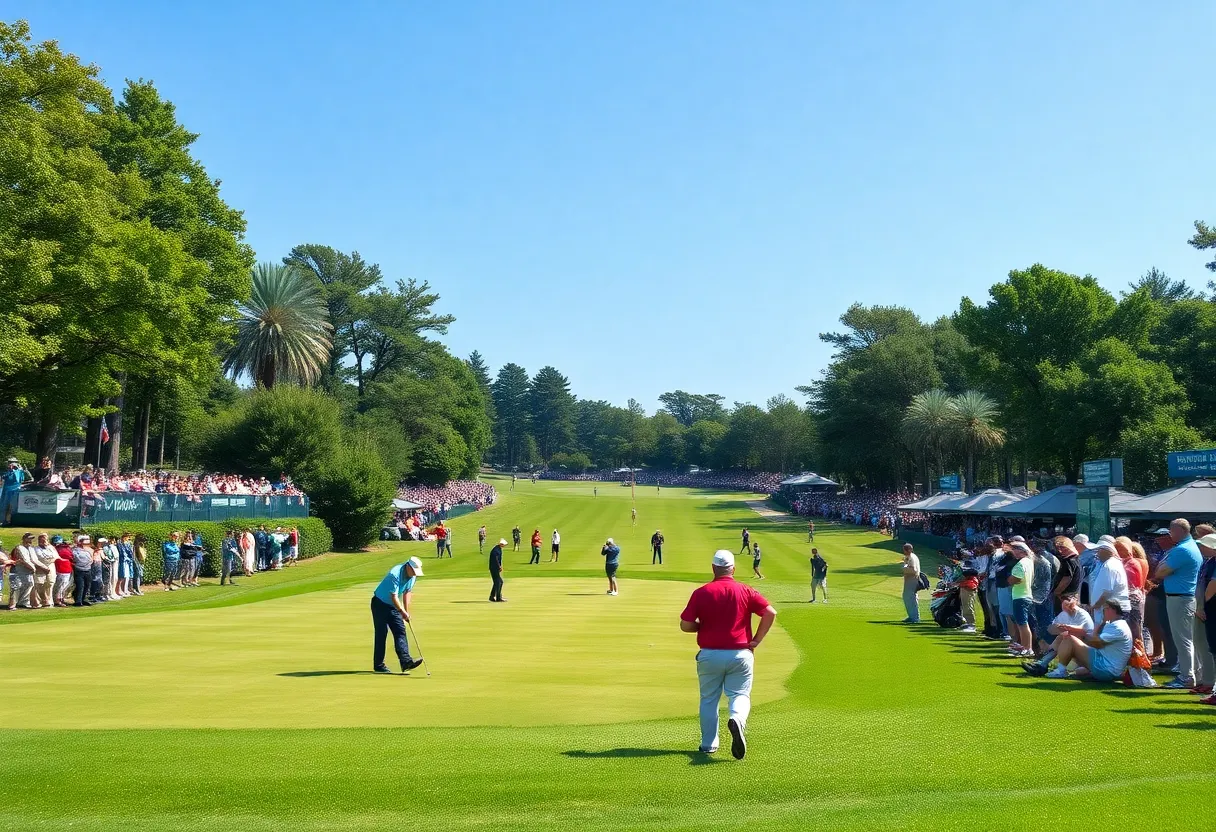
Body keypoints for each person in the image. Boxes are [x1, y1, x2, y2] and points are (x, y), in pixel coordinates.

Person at [679, 550, 777, 759]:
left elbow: (686, 625)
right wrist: (757, 640)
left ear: (713, 568)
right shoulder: (745, 590)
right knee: (739, 695)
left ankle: (708, 744)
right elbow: (770, 612)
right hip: (740, 653)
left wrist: (702, 627)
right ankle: (737, 719)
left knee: (708, 699)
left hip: (709, 654)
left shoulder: (702, 592)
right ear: (733, 568)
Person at [1151, 519, 1201, 690]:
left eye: (1171, 531)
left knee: (1183, 640)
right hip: (1183, 598)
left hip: (1180, 599)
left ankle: (1187, 677)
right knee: (1187, 639)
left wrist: (1163, 567)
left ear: (1179, 530)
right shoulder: (1189, 547)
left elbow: (1160, 572)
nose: (1169, 535)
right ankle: (1194, 674)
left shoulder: (1181, 550)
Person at [1045, 598, 1133, 681]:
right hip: (1110, 667)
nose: (1103, 613)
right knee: (1079, 671)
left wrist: (1097, 626)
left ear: (1111, 609)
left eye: (1104, 610)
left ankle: (1060, 671)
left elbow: (1096, 644)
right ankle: (1052, 665)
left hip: (1105, 668)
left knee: (1069, 638)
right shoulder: (1120, 624)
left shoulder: (1116, 626)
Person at [370, 556, 426, 674]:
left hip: (394, 607)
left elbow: (407, 592)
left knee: (400, 631)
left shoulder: (412, 576)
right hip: (379, 604)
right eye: (414, 571)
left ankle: (405, 661)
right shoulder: (394, 574)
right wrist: (401, 611)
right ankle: (378, 665)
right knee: (381, 633)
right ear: (408, 567)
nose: (414, 574)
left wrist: (406, 611)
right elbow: (394, 596)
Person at [1022, 592, 1095, 676]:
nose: (1067, 606)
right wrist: (1059, 628)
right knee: (1062, 636)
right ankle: (1042, 664)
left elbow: (1083, 631)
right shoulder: (1064, 614)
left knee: (1066, 637)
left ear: (1075, 601)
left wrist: (1067, 628)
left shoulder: (1083, 615)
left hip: (1086, 648)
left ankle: (1051, 667)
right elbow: (1050, 629)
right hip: (1071, 647)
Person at [1195, 533, 1216, 705]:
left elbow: (1212, 586)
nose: (1201, 548)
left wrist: (1202, 606)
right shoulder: (1209, 562)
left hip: (1212, 610)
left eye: (1204, 545)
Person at [1006, 542, 1035, 658]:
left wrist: (1009, 579)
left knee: (1022, 624)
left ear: (1021, 550)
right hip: (1025, 595)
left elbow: (1016, 579)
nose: (1013, 552)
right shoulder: (1028, 562)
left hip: (1020, 596)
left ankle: (1027, 649)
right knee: (1022, 623)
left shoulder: (1021, 563)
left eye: (1014, 549)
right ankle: (1025, 647)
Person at [6, 533, 37, 609]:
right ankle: (12, 604)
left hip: (27, 570)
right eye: (28, 538)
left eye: (31, 539)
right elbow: (24, 560)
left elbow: (33, 560)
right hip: (17, 570)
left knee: (29, 584)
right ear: (24, 539)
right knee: (16, 586)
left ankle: (23, 602)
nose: (30, 540)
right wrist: (33, 568)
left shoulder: (31, 548)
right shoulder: (19, 548)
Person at [1, 457, 27, 526]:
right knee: (4, 506)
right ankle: (3, 521)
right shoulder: (6, 472)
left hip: (16, 490)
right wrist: (11, 471)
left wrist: (21, 470)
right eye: (9, 462)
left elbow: (22, 479)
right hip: (7, 491)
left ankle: (12, 521)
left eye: (12, 462)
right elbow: (3, 477)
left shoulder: (19, 471)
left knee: (14, 507)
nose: (10, 464)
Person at [70, 535, 94, 606]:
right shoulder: (75, 550)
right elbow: (76, 559)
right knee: (80, 586)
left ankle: (82, 599)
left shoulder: (86, 551)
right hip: (79, 570)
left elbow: (90, 559)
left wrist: (88, 563)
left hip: (88, 570)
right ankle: (78, 601)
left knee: (87, 585)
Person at [901, 543, 921, 624]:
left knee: (910, 598)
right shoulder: (910, 557)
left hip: (912, 579)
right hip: (910, 579)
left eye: (905, 550)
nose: (904, 552)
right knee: (908, 597)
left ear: (909, 550)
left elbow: (914, 570)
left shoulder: (912, 557)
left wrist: (904, 568)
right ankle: (912, 616)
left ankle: (915, 618)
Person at [52, 535, 73, 607]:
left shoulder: (67, 548)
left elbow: (71, 557)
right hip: (60, 569)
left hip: (67, 569)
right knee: (60, 585)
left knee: (64, 585)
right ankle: (58, 600)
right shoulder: (57, 549)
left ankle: (60, 599)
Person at [488, 538, 506, 602]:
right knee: (499, 582)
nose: (504, 546)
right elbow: (496, 560)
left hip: (495, 568)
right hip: (494, 568)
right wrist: (499, 567)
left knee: (497, 582)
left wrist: (499, 566)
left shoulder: (498, 549)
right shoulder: (496, 550)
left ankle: (492, 596)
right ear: (501, 544)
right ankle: (498, 598)